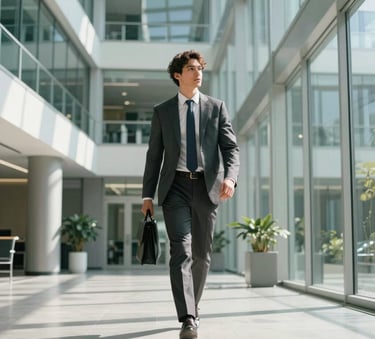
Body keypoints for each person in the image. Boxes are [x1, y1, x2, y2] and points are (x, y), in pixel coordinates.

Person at [141, 50, 240, 339]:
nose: (198, 73)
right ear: (177, 74)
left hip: (207, 188)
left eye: (200, 68)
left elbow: (231, 149)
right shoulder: (163, 111)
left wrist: (231, 178)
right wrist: (147, 195)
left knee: (201, 255)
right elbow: (154, 155)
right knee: (180, 251)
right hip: (175, 188)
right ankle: (187, 318)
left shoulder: (216, 107)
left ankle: (192, 308)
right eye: (191, 68)